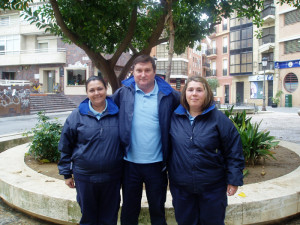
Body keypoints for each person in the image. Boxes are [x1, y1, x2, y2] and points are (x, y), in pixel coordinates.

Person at [112, 55, 180, 225]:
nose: (143, 74)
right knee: (129, 209)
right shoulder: (122, 94)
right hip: (129, 165)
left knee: (157, 209)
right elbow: (106, 114)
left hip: (157, 165)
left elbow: (190, 112)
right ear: (132, 72)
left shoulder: (170, 95)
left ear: (154, 72)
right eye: (139, 70)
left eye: (147, 70)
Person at [168, 76, 245, 225]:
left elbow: (234, 150)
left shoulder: (219, 120)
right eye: (190, 90)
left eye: (199, 90)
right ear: (184, 94)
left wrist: (234, 179)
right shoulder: (174, 118)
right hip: (182, 188)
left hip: (212, 188)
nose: (194, 94)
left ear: (207, 93)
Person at [58, 76, 123, 225]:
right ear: (87, 93)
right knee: (88, 218)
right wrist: (66, 173)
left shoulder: (118, 114)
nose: (96, 93)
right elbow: (65, 145)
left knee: (109, 218)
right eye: (91, 90)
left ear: (106, 89)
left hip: (111, 177)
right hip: (85, 177)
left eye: (100, 88)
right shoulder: (77, 116)